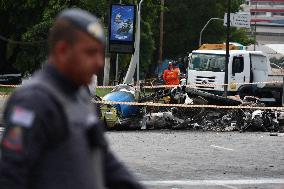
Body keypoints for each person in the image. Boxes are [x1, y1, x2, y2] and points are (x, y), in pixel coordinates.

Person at [0, 8, 145, 189]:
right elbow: (11, 176)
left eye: (99, 53)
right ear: (62, 50)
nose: (99, 62)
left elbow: (104, 162)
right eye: (90, 52)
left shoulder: (80, 97)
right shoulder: (32, 101)